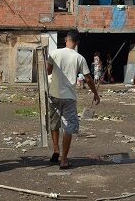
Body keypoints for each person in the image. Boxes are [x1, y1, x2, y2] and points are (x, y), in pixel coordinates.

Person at [47, 29, 100, 170]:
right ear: (77, 43)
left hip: (53, 95)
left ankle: (56, 150)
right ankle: (64, 160)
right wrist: (95, 93)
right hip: (69, 97)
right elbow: (88, 78)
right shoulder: (79, 58)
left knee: (54, 123)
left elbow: (47, 70)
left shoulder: (54, 53)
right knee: (68, 128)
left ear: (66, 39)